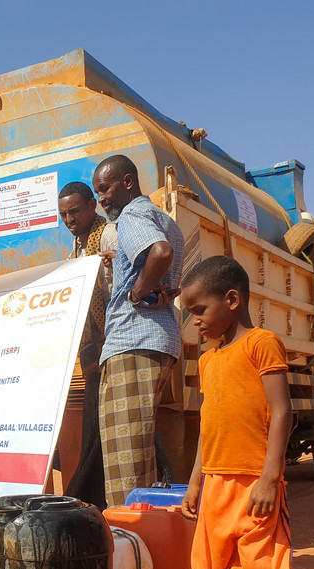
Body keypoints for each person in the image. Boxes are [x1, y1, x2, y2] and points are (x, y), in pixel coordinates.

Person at [179, 256, 297, 569]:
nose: (195, 322)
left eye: (199, 310)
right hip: (216, 482)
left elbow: (282, 412)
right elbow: (208, 428)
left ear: (232, 300)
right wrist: (195, 481)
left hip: (254, 483)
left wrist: (271, 477)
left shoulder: (262, 344)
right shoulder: (209, 361)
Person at [92, 154, 184, 506]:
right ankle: (148, 542)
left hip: (132, 342)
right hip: (158, 341)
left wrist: (136, 290)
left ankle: (129, 543)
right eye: (98, 191)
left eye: (106, 188)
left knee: (124, 463)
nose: (103, 198)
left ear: (128, 182)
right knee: (141, 455)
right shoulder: (164, 218)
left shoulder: (132, 216)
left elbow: (159, 253)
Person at [55, 181, 114, 507]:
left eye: (75, 211)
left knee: (103, 423)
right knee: (94, 422)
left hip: (111, 343)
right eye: (64, 214)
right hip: (92, 351)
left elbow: (116, 290)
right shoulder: (78, 248)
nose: (69, 219)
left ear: (93, 205)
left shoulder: (106, 237)